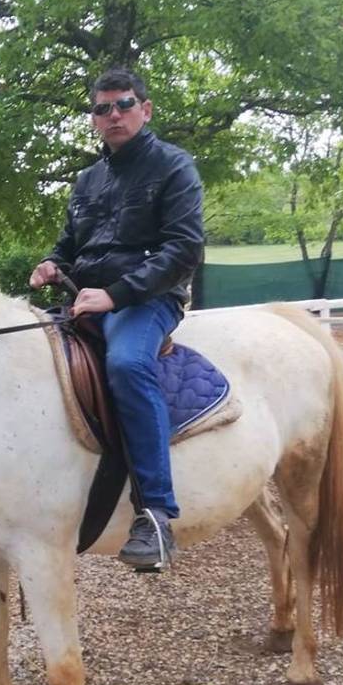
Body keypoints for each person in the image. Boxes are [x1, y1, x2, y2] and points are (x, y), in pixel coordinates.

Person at [30, 67, 204, 570]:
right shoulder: (88, 180)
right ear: (94, 118)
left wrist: (116, 294)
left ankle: (155, 514)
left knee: (127, 365)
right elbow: (69, 245)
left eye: (124, 104)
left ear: (144, 110)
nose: (113, 115)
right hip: (84, 297)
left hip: (147, 300)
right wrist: (52, 264)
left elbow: (184, 248)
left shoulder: (174, 166)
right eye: (102, 108)